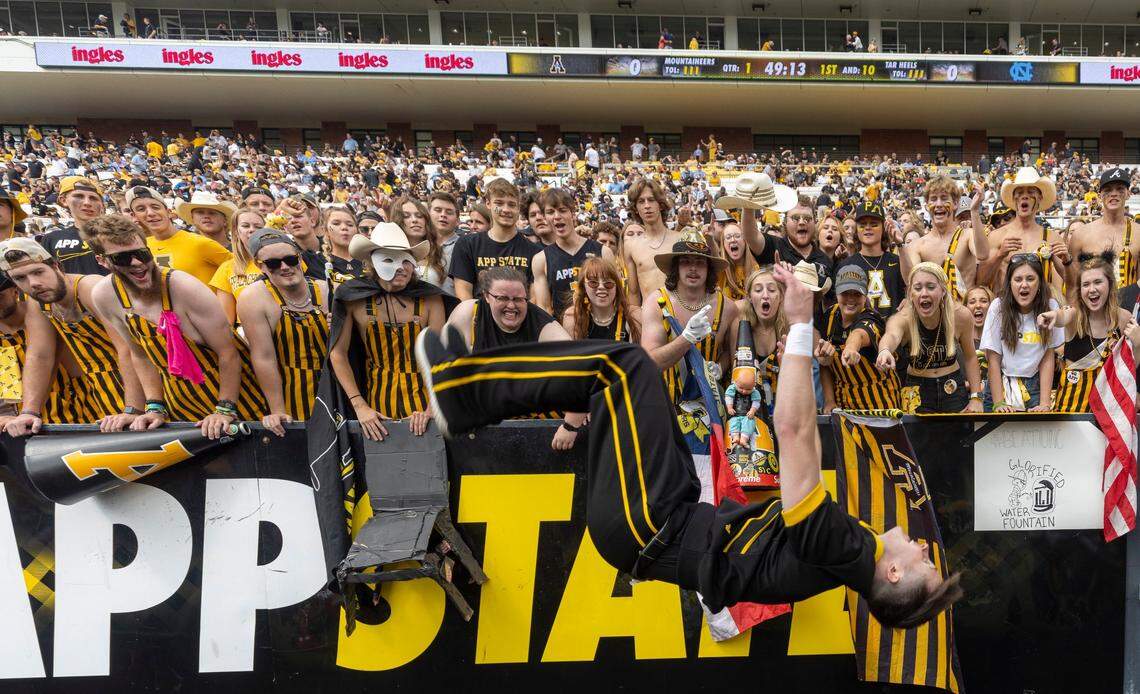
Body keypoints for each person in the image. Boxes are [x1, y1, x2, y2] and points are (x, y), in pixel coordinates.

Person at [414, 260, 961, 629]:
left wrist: (799, 324)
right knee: (633, 378)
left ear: (892, 575)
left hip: (645, 522)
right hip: (669, 508)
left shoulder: (846, 551)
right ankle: (480, 395)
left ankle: (460, 396)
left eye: (923, 564)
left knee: (622, 364)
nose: (923, 548)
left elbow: (795, 434)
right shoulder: (850, 553)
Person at [86, 214, 267, 436]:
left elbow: (228, 352)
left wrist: (224, 409)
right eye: (122, 258)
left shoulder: (183, 286)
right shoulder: (105, 295)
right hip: (181, 408)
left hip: (240, 400)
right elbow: (140, 354)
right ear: (102, 261)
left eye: (142, 253)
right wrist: (154, 407)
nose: (137, 263)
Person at [0, 237, 143, 435]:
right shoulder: (39, 302)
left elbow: (129, 348)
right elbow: (40, 355)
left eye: (38, 272)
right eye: (20, 278)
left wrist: (133, 408)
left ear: (57, 266)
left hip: (144, 390)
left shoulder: (91, 288)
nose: (33, 283)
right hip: (104, 396)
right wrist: (30, 412)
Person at [444, 266, 585, 449]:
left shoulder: (543, 326)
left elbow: (582, 372)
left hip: (538, 418)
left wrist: (571, 425)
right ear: (486, 296)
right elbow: (443, 366)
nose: (511, 306)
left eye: (519, 299)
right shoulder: (468, 314)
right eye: (502, 298)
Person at [328, 223, 444, 441]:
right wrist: (360, 406)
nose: (401, 267)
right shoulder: (353, 296)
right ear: (372, 262)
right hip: (375, 403)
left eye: (406, 260)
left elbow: (438, 356)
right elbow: (338, 353)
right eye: (389, 259)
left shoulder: (430, 298)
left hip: (424, 402)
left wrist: (433, 406)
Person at [237, 229, 330, 432]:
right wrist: (277, 409)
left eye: (290, 259)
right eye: (273, 263)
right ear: (259, 266)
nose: (285, 267)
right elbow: (263, 357)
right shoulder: (254, 298)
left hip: (334, 388)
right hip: (293, 392)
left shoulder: (325, 289)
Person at [640, 228, 738, 405]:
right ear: (675, 267)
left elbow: (729, 352)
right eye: (685, 261)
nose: (693, 268)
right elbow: (649, 362)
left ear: (709, 268)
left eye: (700, 262)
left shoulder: (728, 307)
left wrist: (720, 368)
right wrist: (685, 339)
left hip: (712, 409)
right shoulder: (656, 303)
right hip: (664, 407)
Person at [875, 264, 983, 413]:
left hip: (952, 386)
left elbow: (971, 357)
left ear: (943, 291)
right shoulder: (904, 318)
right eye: (918, 288)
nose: (924, 293)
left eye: (931, 287)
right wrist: (884, 351)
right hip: (917, 388)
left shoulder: (960, 316)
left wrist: (976, 397)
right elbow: (891, 335)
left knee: (960, 435)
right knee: (917, 436)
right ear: (910, 293)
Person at [1039, 253, 1138, 413]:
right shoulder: (1074, 316)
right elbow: (1062, 316)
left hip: (1108, 415)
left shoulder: (1123, 317)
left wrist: (1138, 343)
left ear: (1110, 285)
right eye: (1086, 284)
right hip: (1071, 415)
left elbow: (1130, 368)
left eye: (1098, 282)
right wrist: (1051, 315)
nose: (1092, 289)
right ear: (1080, 290)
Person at [979, 254, 1064, 412]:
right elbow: (993, 358)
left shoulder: (1051, 307)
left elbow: (1048, 356)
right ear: (1009, 283)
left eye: (1030, 279)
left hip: (1035, 386)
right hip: (1000, 386)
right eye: (1018, 279)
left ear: (1039, 283)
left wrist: (1045, 403)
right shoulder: (998, 307)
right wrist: (998, 403)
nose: (1024, 285)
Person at [818, 265, 901, 412]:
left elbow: (859, 334)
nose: (850, 299)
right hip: (843, 405)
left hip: (879, 404)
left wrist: (851, 348)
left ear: (865, 295)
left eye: (856, 294)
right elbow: (825, 366)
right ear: (837, 293)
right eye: (845, 293)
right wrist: (829, 401)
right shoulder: (829, 316)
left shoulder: (871, 317)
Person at [449, 179, 541, 301]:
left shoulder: (534, 251)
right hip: (478, 316)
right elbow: (463, 294)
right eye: (499, 203)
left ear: (518, 208)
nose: (506, 209)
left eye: (512, 205)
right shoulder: (467, 245)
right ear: (488, 204)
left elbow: (534, 299)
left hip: (520, 316)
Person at [979, 168, 1066, 296]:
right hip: (1006, 312)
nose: (1024, 196)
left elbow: (1071, 282)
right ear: (1014, 198)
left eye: (1031, 191)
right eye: (1019, 192)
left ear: (1040, 197)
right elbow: (982, 281)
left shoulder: (1052, 238)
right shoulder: (997, 236)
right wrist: (999, 255)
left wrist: (1067, 260)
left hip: (1041, 312)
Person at [126, 185, 232, 286]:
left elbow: (242, 273)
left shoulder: (201, 243)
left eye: (155, 207)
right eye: (141, 209)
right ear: (134, 216)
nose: (150, 213)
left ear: (169, 212)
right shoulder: (140, 250)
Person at [903, 176, 988, 302]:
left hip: (965, 316)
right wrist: (900, 247)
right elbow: (912, 281)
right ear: (927, 205)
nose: (938, 204)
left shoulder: (967, 235)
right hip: (935, 317)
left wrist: (974, 211)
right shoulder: (917, 246)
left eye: (944, 198)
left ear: (955, 204)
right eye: (933, 199)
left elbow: (982, 254)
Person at [531, 188, 610, 320]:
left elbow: (616, 296)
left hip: (599, 331)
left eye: (562, 210)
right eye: (550, 212)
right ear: (545, 218)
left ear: (573, 214)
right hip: (563, 333)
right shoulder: (540, 260)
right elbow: (544, 309)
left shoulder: (603, 251)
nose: (557, 216)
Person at [1066, 168, 1140, 292]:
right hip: (1091, 308)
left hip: (1130, 308)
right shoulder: (1081, 235)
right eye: (1108, 190)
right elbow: (1073, 284)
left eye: (1120, 189)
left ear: (1128, 193)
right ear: (1100, 195)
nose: (1114, 194)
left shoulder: (1138, 233)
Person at [730, 266, 790, 409]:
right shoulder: (739, 326)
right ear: (750, 297)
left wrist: (787, 367)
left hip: (782, 407)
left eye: (771, 290)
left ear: (781, 297)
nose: (765, 295)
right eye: (758, 290)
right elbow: (735, 376)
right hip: (747, 407)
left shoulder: (789, 327)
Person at [623, 178, 680, 315]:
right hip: (648, 317)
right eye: (641, 201)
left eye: (651, 200)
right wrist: (636, 322)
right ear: (635, 208)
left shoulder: (679, 239)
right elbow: (633, 292)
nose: (647, 205)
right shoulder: (631, 245)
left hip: (680, 315)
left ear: (660, 204)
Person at [836, 203, 904, 318]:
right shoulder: (846, 265)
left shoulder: (898, 261)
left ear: (883, 228)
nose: (868, 228)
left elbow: (912, 283)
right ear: (856, 230)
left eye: (874, 224)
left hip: (894, 331)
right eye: (862, 224)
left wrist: (900, 244)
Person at [562, 256, 640, 342]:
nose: (601, 287)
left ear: (616, 288)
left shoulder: (633, 316)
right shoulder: (573, 317)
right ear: (583, 287)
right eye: (593, 283)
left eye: (608, 283)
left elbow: (639, 354)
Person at [41, 176, 108, 275]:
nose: (87, 203)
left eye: (93, 198)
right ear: (63, 200)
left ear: (102, 204)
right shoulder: (51, 239)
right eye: (79, 196)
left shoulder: (119, 234)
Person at [209, 207, 264, 325]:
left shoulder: (284, 259)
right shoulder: (226, 268)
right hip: (247, 333)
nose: (252, 230)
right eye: (245, 226)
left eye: (258, 227)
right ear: (236, 232)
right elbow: (227, 320)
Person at [389, 196, 447, 288]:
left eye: (419, 216)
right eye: (406, 216)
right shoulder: (387, 253)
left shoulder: (439, 253)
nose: (415, 220)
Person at [321, 205, 364, 286]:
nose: (344, 227)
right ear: (326, 231)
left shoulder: (369, 262)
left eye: (350, 225)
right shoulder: (319, 262)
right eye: (336, 223)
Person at [428, 191, 461, 294]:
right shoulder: (418, 243)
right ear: (428, 214)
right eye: (438, 210)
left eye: (449, 212)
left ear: (458, 221)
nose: (443, 215)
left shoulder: (465, 246)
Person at [718, 219, 757, 301]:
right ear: (724, 245)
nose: (733, 240)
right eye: (728, 237)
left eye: (737, 236)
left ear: (745, 241)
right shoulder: (721, 269)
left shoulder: (755, 268)